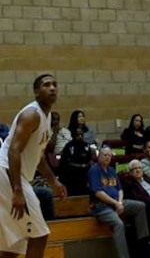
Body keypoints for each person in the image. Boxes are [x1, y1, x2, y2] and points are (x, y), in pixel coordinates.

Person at [0, 73, 67, 258]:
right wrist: (17, 190)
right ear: (37, 92)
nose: (52, 88)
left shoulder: (47, 117)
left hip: (12, 175)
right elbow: (14, 151)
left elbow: (39, 156)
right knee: (40, 234)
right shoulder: (31, 114)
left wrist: (53, 181)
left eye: (55, 84)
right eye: (47, 85)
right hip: (7, 172)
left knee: (13, 246)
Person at [88, 144, 150, 258]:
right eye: (105, 155)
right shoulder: (94, 170)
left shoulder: (112, 170)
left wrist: (120, 202)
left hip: (116, 203)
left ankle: (143, 241)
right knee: (118, 224)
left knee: (140, 206)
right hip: (101, 207)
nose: (108, 157)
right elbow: (98, 193)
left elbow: (120, 189)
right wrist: (116, 203)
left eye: (109, 155)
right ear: (99, 157)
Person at [57, 128, 94, 196]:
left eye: (81, 134)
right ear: (73, 136)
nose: (80, 136)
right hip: (71, 175)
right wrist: (81, 166)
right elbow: (66, 163)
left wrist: (89, 163)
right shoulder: (68, 147)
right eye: (77, 135)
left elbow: (90, 159)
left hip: (84, 174)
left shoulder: (86, 146)